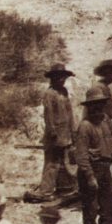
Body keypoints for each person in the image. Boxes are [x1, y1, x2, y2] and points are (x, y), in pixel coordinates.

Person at [73, 89, 112, 224]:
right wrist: (90, 176)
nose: (97, 109)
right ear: (89, 107)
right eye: (94, 106)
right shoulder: (85, 127)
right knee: (91, 208)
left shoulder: (106, 121)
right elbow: (81, 155)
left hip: (105, 169)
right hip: (91, 170)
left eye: (100, 105)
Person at [27, 62, 77, 202]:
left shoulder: (64, 92)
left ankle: (69, 188)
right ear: (53, 78)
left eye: (63, 77)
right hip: (54, 135)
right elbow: (48, 115)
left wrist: (73, 131)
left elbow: (70, 113)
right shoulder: (49, 94)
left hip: (66, 134)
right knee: (52, 163)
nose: (62, 80)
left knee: (68, 161)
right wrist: (53, 133)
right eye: (58, 77)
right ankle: (46, 191)